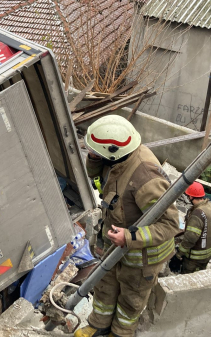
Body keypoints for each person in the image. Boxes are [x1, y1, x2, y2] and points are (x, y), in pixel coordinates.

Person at [75, 115, 180, 337]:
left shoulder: (146, 178)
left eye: (95, 151)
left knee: (130, 300)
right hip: (116, 246)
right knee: (104, 287)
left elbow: (170, 223)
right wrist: (94, 157)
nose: (91, 153)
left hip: (142, 257)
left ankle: (121, 333)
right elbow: (94, 176)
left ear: (113, 151)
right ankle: (98, 325)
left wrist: (130, 238)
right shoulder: (116, 160)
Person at [175, 182, 211, 274]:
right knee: (199, 275)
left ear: (191, 197)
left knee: (187, 279)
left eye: (188, 196)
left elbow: (190, 238)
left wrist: (179, 254)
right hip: (208, 252)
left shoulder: (197, 214)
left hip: (195, 257)